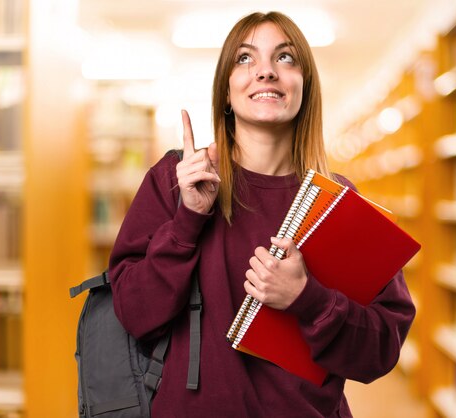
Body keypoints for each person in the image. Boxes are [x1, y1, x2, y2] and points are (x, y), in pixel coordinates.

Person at [109, 11, 415, 418]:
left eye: (285, 58)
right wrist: (188, 220)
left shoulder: (337, 202)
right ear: (226, 90)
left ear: (305, 87)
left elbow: (380, 350)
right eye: (245, 59)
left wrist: (309, 300)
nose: (266, 71)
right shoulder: (176, 179)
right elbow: (134, 314)